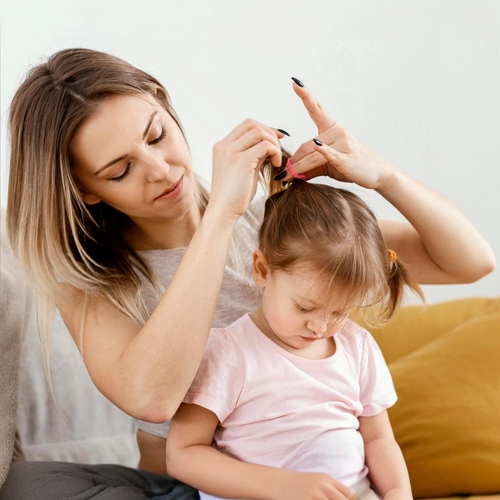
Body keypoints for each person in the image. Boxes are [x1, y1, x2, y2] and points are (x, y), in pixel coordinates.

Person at [1, 47, 495, 499]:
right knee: (31, 484)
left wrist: (382, 175)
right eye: (119, 170)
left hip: (314, 467)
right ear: (84, 189)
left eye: (157, 135)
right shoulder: (86, 276)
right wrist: (220, 216)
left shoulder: (275, 226)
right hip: (187, 486)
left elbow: (472, 263)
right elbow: (151, 399)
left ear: (167, 108)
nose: (161, 169)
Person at [166, 162, 421, 500]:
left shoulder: (356, 347)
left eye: (340, 312)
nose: (320, 327)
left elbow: (378, 439)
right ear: (262, 269)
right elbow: (183, 454)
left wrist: (397, 492)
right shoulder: (229, 352)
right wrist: (284, 487)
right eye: (304, 307)